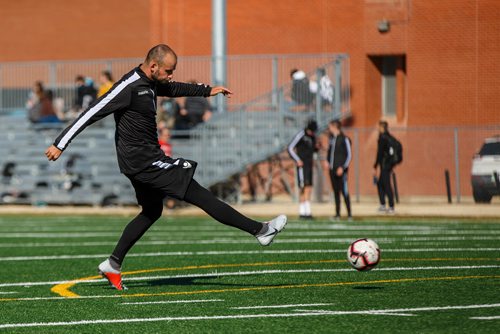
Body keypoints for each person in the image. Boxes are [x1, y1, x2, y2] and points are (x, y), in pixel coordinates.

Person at [45, 44, 287, 290]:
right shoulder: (128, 87)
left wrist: (207, 91)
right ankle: (260, 230)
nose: (170, 75)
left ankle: (113, 264)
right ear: (153, 66)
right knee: (197, 192)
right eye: (168, 70)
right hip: (142, 161)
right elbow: (91, 112)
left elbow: (172, 87)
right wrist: (60, 143)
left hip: (142, 159)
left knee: (152, 211)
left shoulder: (150, 82)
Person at [288, 119, 318, 219]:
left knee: (309, 188)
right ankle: (302, 212)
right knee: (303, 187)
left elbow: (313, 149)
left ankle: (308, 212)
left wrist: (317, 148)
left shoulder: (313, 137)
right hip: (302, 165)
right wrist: (297, 160)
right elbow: (290, 148)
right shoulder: (301, 135)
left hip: (309, 165)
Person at [326, 120, 352, 220]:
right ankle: (337, 214)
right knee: (336, 192)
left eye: (330, 127)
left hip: (341, 170)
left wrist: (342, 167)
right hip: (332, 170)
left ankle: (349, 214)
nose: (329, 129)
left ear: (335, 127)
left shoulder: (344, 139)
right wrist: (327, 162)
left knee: (344, 191)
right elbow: (330, 153)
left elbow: (349, 155)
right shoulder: (332, 139)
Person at [374, 120, 395, 214]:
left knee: (386, 185)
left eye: (379, 127)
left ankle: (391, 206)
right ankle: (383, 205)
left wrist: (375, 165)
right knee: (380, 184)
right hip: (387, 165)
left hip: (385, 165)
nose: (378, 129)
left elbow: (380, 153)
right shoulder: (388, 137)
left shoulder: (383, 138)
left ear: (382, 127)